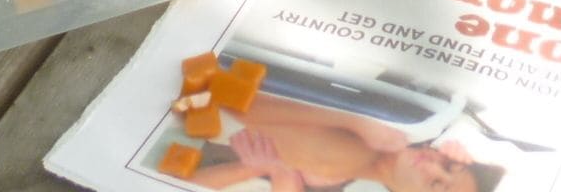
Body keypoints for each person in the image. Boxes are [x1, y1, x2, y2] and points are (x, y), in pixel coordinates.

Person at [183, 93, 502, 192]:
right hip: (194, 104)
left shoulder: (351, 162)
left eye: (435, 185)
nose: (432, 165)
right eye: (448, 165)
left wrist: (256, 169)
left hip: (188, 118)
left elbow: (220, 99)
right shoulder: (408, 124)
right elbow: (224, 95)